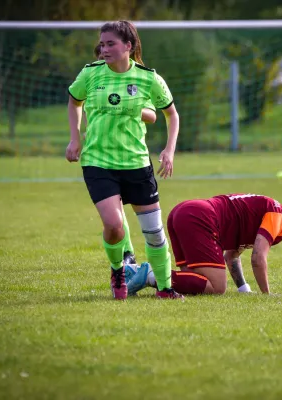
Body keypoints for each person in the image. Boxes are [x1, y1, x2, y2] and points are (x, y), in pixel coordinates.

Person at [66, 20, 183, 300]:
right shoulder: (90, 74)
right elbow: (74, 102)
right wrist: (75, 138)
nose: (103, 49)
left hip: (137, 163)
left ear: (128, 46)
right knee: (114, 224)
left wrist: (168, 150)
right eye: (102, 44)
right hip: (98, 161)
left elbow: (170, 115)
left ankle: (166, 289)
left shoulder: (148, 78)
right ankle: (119, 269)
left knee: (154, 233)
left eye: (110, 44)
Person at [127, 188, 282, 295]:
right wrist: (267, 294)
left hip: (184, 211)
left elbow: (231, 256)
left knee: (197, 283)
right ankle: (148, 275)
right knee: (217, 287)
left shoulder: (274, 215)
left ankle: (136, 273)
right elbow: (258, 258)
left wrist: (243, 288)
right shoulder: (277, 217)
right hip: (199, 218)